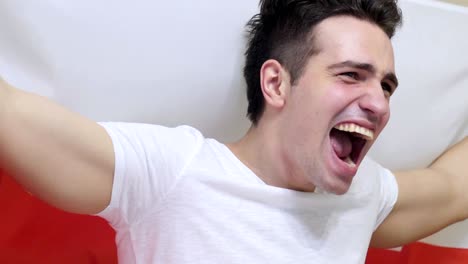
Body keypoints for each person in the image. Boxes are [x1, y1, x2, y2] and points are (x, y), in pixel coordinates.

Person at [0, 0, 466, 263]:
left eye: (386, 85)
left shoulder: (363, 196)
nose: (380, 103)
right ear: (275, 83)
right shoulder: (174, 171)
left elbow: (451, 187)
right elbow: (11, 113)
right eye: (351, 75)